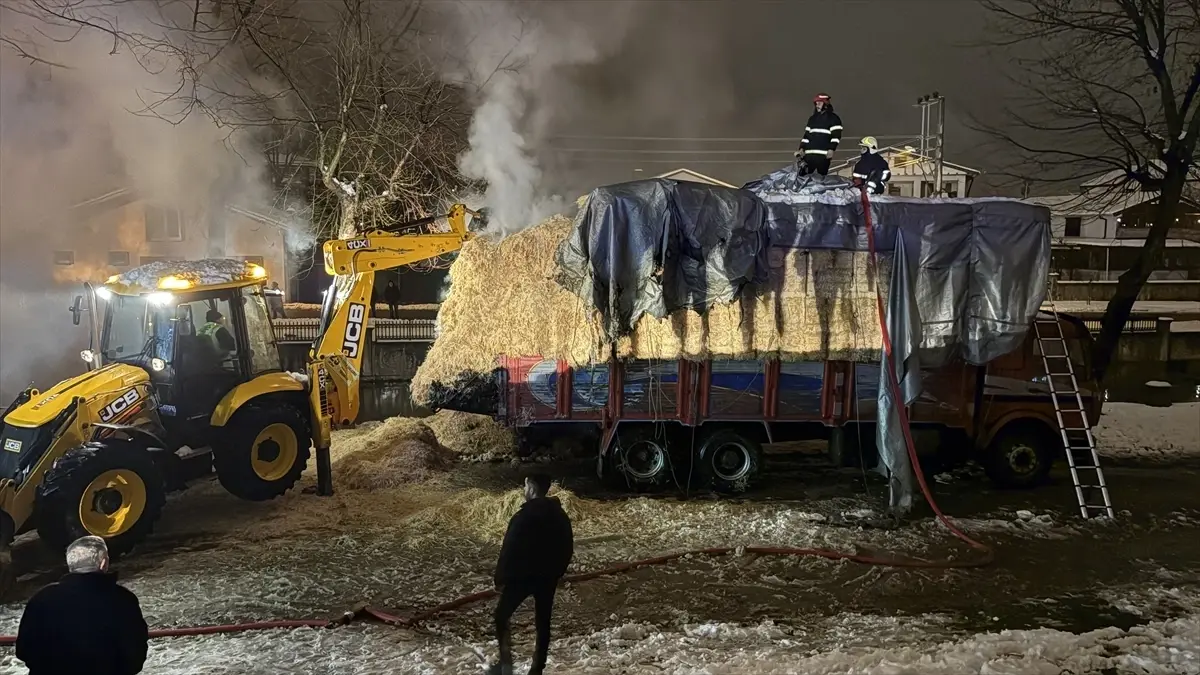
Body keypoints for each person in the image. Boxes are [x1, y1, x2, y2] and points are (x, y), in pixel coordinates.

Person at [16, 536, 148, 675]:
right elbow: (135, 656)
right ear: (103, 563)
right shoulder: (124, 600)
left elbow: (24, 650)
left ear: (71, 565)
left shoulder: (41, 598)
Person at [489, 474, 574, 675]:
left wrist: (500, 578)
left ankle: (505, 664)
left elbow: (509, 550)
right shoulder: (560, 515)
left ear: (531, 486)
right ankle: (537, 668)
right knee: (542, 621)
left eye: (525, 486)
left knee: (501, 616)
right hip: (547, 577)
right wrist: (557, 572)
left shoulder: (522, 517)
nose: (524, 490)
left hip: (521, 578)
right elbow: (567, 545)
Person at [795, 93, 843, 177]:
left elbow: (836, 136)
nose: (817, 105)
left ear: (825, 104)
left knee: (821, 178)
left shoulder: (833, 119)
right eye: (816, 103)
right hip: (808, 156)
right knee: (803, 178)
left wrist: (831, 149)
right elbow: (806, 136)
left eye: (819, 103)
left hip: (823, 156)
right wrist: (801, 148)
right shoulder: (812, 119)